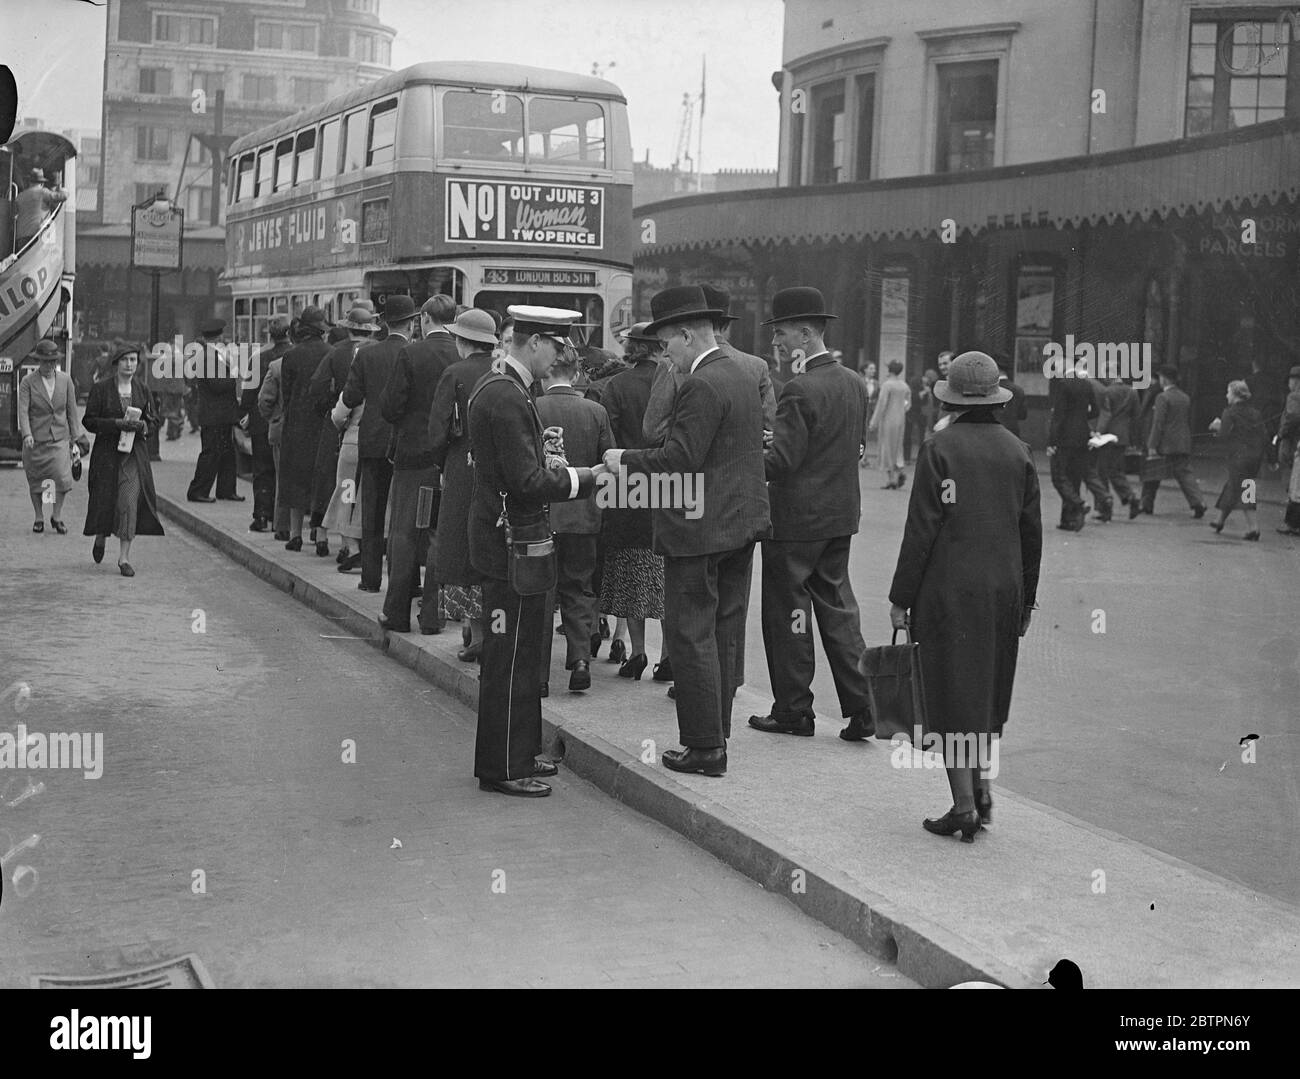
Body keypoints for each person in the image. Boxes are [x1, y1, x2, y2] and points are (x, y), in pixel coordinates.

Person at [605, 285, 771, 778]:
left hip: (700, 529)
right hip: (739, 525)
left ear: (685, 334)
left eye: (667, 344)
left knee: (690, 632)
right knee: (723, 631)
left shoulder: (699, 384)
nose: (665, 355)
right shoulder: (743, 373)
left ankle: (703, 748)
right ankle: (717, 732)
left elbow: (680, 457)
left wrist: (623, 460)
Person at [888, 351, 1042, 843]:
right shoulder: (1019, 451)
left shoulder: (940, 449)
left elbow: (921, 531)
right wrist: (1026, 603)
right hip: (1003, 591)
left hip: (947, 592)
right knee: (989, 692)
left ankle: (963, 805)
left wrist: (900, 596)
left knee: (954, 693)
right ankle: (984, 790)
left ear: (950, 397)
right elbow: (1031, 534)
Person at [468, 305, 603, 797]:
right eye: (557, 345)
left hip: (508, 540)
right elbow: (525, 480)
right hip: (512, 546)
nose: (561, 356)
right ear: (533, 341)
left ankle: (519, 753)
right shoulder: (507, 397)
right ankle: (503, 766)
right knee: (511, 658)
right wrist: (581, 478)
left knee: (523, 655)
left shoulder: (502, 388)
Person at [750, 288, 873, 741]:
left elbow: (781, 462)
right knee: (838, 609)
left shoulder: (800, 388)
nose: (777, 343)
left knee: (789, 616)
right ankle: (864, 707)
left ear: (806, 332)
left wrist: (747, 454)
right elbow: (847, 446)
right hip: (840, 516)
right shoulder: (854, 382)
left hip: (796, 522)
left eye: (781, 333)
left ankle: (793, 711)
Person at [378, 295, 458, 634]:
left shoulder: (410, 353)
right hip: (448, 462)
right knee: (439, 537)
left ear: (424, 318)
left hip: (413, 459)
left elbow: (390, 407)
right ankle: (432, 617)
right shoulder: (460, 355)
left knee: (406, 533)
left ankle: (397, 613)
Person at [537, 345, 614, 693]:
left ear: (546, 372)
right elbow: (608, 464)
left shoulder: (534, 407)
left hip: (542, 515)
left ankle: (537, 672)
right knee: (579, 589)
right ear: (576, 373)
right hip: (584, 516)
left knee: (539, 593)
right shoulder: (596, 411)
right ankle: (580, 658)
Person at [597, 323, 668, 680]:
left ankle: (638, 652)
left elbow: (606, 439)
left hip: (626, 486)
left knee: (630, 570)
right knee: (668, 571)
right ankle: (668, 656)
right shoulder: (674, 380)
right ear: (659, 347)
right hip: (671, 483)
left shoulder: (616, 385)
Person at [429, 309, 497, 658]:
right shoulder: (501, 371)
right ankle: (490, 631)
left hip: (459, 469)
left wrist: (441, 463)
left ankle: (473, 630)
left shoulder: (453, 373)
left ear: (461, 341)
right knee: (489, 550)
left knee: (460, 548)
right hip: (496, 471)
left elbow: (437, 432)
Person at [342, 295, 414, 590]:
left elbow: (350, 398)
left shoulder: (367, 355)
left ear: (383, 322)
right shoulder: (415, 353)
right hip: (406, 444)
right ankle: (404, 580)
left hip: (372, 442)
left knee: (372, 512)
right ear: (411, 324)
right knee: (403, 516)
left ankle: (370, 579)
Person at [82, 345, 165, 577]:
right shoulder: (101, 389)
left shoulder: (143, 389)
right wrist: (117, 424)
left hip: (133, 457)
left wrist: (145, 426)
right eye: (125, 360)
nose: (130, 364)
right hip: (107, 456)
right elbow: (89, 421)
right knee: (105, 500)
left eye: (133, 360)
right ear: (116, 363)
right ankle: (101, 535)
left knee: (128, 502)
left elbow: (154, 418)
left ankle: (124, 558)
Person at [309, 306, 378, 561]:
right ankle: (360, 543)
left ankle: (346, 544)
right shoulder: (377, 352)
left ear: (348, 328)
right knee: (367, 491)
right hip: (374, 431)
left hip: (344, 430)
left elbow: (316, 386)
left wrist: (329, 408)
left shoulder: (336, 352)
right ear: (369, 330)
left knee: (344, 486)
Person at [277, 307, 333, 550]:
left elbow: (286, 396)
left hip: (297, 425)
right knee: (322, 481)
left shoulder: (291, 356)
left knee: (295, 480)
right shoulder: (331, 353)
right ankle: (321, 535)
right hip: (323, 425)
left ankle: (295, 535)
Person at [18, 339, 87, 534]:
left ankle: (56, 516)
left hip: (59, 438)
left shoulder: (66, 380)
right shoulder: (28, 382)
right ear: (38, 361)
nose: (48, 365)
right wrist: (27, 435)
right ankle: (39, 517)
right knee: (37, 479)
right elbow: (23, 411)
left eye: (52, 361)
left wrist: (76, 438)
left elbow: (72, 411)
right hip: (35, 441)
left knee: (62, 478)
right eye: (44, 362)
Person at [185, 319, 243, 504]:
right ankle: (197, 491)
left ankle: (226, 490)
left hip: (220, 414)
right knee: (210, 453)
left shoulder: (213, 355)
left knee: (227, 452)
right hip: (214, 414)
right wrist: (234, 375)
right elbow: (217, 385)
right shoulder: (208, 358)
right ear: (219, 337)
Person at [1138, 365, 1206, 519]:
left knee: (1152, 473)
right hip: (1182, 441)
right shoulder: (1184, 397)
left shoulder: (1162, 397)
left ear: (1164, 379)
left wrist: (1152, 444)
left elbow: (1158, 423)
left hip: (1165, 442)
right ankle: (1198, 502)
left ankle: (1146, 504)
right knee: (1185, 474)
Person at [1208, 380, 1266, 541]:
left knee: (1244, 488)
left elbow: (1223, 436)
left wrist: (1216, 426)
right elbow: (1264, 436)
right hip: (1254, 457)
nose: (1226, 395)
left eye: (1228, 392)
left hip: (1238, 456)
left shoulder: (1229, 412)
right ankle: (1219, 520)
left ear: (1234, 394)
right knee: (1234, 485)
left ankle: (1254, 528)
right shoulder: (1256, 413)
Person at [1046, 356, 1098, 530]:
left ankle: (1078, 504)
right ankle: (1069, 520)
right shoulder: (1086, 384)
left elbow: (1058, 416)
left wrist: (1052, 441)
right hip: (1082, 436)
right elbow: (1095, 410)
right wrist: (1081, 419)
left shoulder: (1063, 385)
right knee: (1074, 477)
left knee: (1059, 476)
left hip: (1065, 437)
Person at [257, 317, 293, 539]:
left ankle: (281, 526)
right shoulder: (319, 356)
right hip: (307, 429)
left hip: (279, 427)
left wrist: (273, 418)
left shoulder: (267, 360)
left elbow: (263, 399)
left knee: (281, 477)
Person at [1092, 371, 1137, 520]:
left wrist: (1099, 432)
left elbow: (1106, 414)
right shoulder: (1132, 392)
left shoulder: (1107, 391)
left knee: (1101, 471)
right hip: (1123, 436)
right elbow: (1137, 415)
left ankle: (1105, 507)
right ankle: (1130, 496)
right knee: (1115, 469)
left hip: (1108, 435)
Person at [870, 360, 911, 489]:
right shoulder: (904, 386)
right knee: (898, 447)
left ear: (890, 370)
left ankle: (892, 479)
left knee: (887, 446)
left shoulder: (887, 385)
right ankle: (900, 470)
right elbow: (908, 404)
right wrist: (901, 410)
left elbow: (882, 404)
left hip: (888, 419)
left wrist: (874, 422)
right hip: (900, 419)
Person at [14, 168, 67, 252]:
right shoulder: (43, 192)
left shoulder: (19, 197)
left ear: (29, 182)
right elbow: (61, 197)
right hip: (37, 234)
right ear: (42, 183)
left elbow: (14, 214)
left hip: (21, 237)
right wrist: (64, 191)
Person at [1277, 365, 1300, 536]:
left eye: (1291, 380)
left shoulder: (1293, 396)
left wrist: (1281, 434)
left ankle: (1292, 523)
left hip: (1292, 443)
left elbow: (1291, 418)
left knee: (1293, 484)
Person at [994, 359, 1028, 439]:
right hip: (1012, 432)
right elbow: (1023, 415)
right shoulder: (1018, 390)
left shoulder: (991, 389)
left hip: (994, 432)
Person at [859, 361, 880, 469]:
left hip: (871, 411)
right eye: (871, 368)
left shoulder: (876, 383)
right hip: (861, 410)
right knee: (860, 433)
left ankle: (864, 457)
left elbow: (878, 397)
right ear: (865, 370)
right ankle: (863, 458)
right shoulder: (859, 380)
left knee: (866, 434)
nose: (873, 371)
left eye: (874, 369)